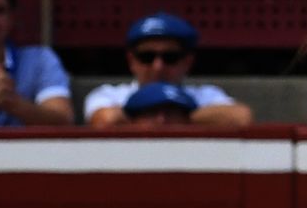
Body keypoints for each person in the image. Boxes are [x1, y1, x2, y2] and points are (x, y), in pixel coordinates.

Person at [85, 13, 254, 128]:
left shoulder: (205, 95)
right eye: (147, 57)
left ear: (188, 62)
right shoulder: (109, 95)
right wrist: (174, 111)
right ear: (131, 61)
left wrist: (175, 110)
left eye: (170, 57)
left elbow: (242, 117)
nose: (158, 66)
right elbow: (103, 121)